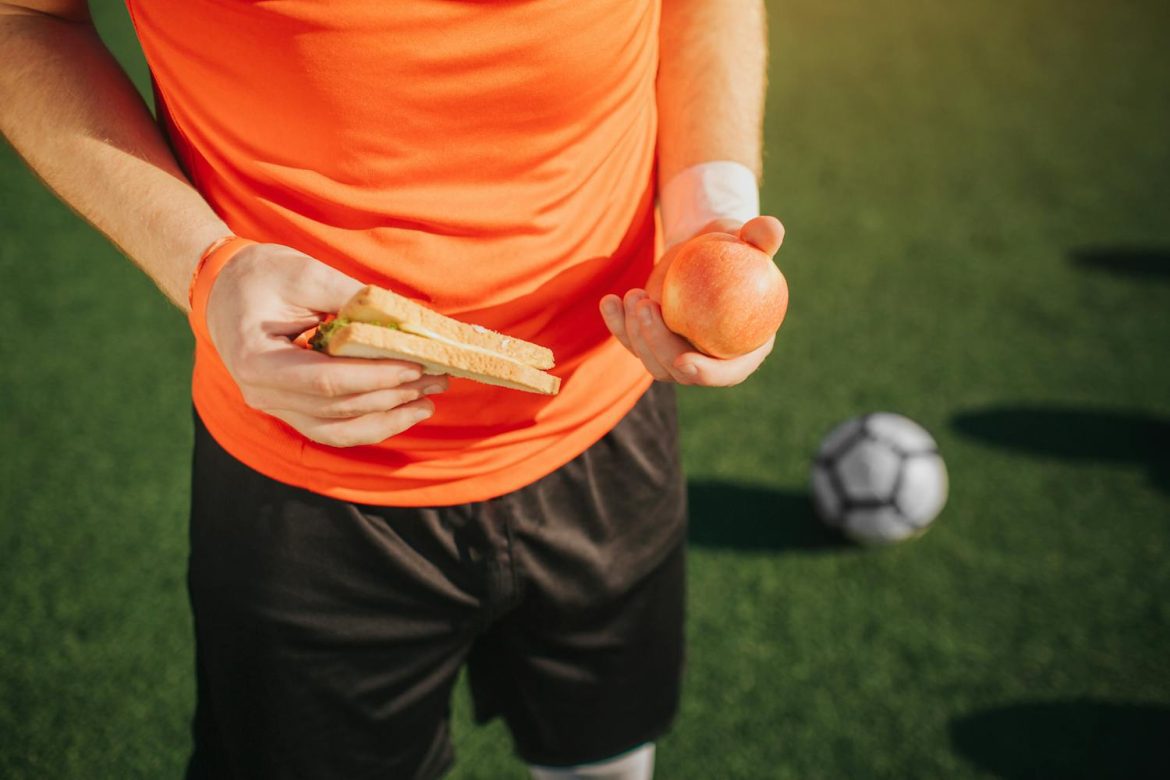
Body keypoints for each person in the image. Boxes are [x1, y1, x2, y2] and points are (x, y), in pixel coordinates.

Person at [0, 1, 784, 777]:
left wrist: (708, 224)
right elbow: (27, 18)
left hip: (607, 409)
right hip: (305, 469)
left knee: (606, 759)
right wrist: (206, 267)